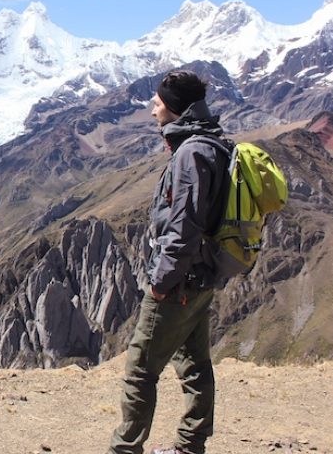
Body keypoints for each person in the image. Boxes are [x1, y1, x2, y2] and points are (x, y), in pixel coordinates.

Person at [107, 71, 229, 454]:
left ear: (175, 107)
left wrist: (161, 282)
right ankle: (190, 447)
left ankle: (125, 449)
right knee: (195, 366)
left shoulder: (192, 152)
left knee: (140, 371)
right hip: (199, 277)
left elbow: (183, 226)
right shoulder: (210, 144)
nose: (153, 108)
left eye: (158, 101)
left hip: (179, 281)